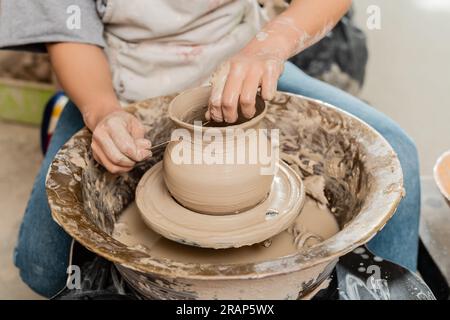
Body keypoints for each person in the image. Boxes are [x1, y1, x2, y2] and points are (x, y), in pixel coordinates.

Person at [0, 0, 420, 298]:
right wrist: (101, 110)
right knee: (44, 267)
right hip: (120, 83)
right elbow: (67, 30)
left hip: (242, 63)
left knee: (397, 153)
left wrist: (268, 49)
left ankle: (383, 292)